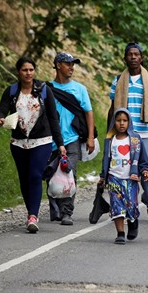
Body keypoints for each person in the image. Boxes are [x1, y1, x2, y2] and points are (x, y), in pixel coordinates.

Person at [0, 57, 66, 233]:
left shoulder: (44, 90)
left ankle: (33, 216)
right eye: (25, 70)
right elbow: (2, 109)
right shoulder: (11, 91)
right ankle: (30, 212)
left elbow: (52, 118)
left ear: (35, 71)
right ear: (19, 72)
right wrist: (0, 119)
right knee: (25, 178)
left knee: (35, 175)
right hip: (18, 142)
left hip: (42, 140)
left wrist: (60, 143)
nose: (28, 73)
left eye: (31, 70)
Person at [108, 42, 148, 219]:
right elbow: (112, 108)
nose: (133, 57)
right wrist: (110, 133)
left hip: (145, 132)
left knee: (147, 171)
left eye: (136, 54)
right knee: (123, 171)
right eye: (130, 54)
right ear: (125, 58)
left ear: (142, 58)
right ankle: (124, 206)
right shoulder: (117, 80)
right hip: (123, 134)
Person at [47, 52, 95, 225]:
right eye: (68, 64)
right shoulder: (47, 89)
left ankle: (67, 212)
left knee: (69, 173)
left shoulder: (79, 89)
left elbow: (89, 113)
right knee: (51, 174)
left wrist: (90, 137)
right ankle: (56, 208)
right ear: (58, 65)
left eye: (73, 64)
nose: (71, 67)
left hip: (72, 138)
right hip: (50, 139)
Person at [99, 108, 148, 244]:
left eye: (125, 120)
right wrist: (103, 176)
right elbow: (106, 159)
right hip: (114, 177)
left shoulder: (135, 139)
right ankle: (120, 233)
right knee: (116, 205)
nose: (121, 123)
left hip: (130, 179)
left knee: (131, 205)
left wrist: (144, 170)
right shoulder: (110, 140)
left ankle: (133, 222)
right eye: (118, 120)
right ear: (113, 122)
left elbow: (143, 159)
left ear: (129, 122)